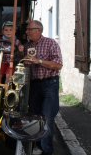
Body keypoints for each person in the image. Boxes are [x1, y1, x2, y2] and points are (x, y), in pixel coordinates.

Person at [24, 20, 63, 155]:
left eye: (30, 29)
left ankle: (47, 151)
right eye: (27, 29)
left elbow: (58, 65)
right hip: (35, 85)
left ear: (38, 30)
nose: (27, 31)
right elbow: (26, 66)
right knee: (35, 117)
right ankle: (38, 146)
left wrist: (39, 61)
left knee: (47, 117)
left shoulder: (50, 43)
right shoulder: (28, 45)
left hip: (49, 84)